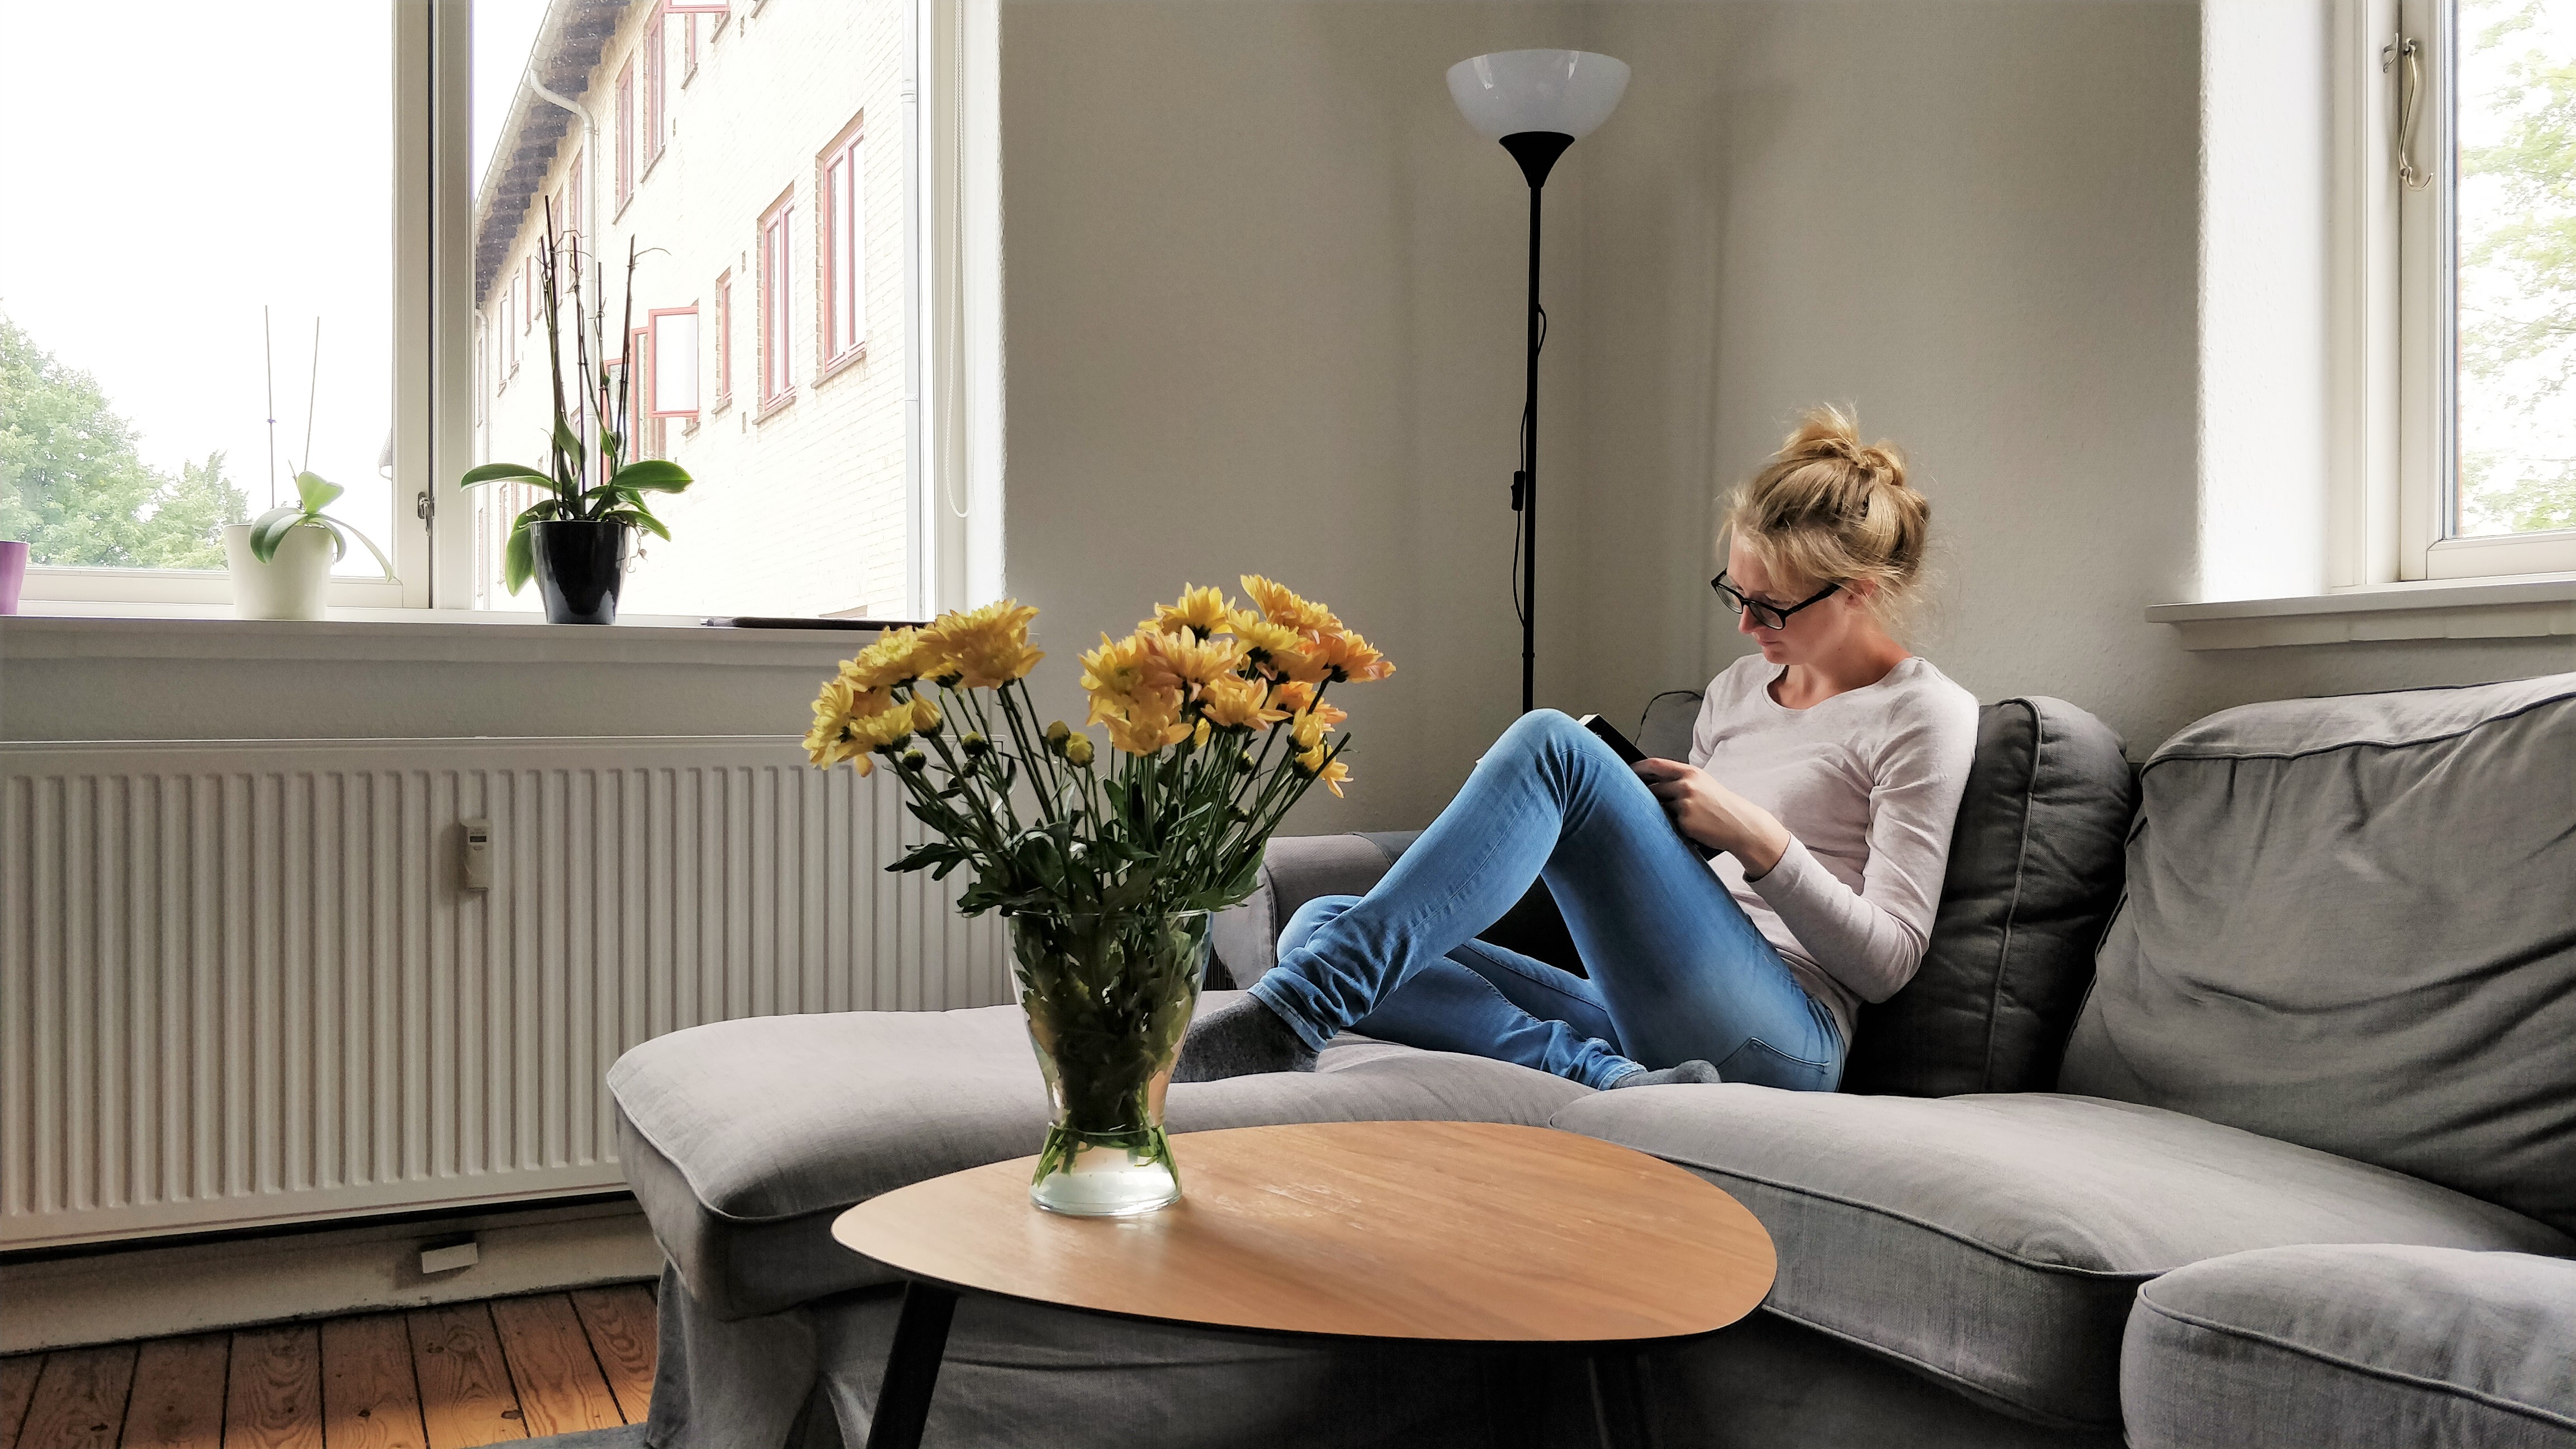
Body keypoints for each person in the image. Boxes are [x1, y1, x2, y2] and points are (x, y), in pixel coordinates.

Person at [1176, 405, 1978, 1091]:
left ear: (1860, 592)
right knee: (1320, 922)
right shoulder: (1737, 693)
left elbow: (1889, 962)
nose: (1744, 625)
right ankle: (1611, 1078)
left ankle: (1292, 1014)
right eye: (1735, 593)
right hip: (1650, 1010)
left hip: (1788, 1039)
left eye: (1770, 607)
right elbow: (1674, 896)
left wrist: (1756, 838)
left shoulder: (1922, 713)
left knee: (1554, 745)